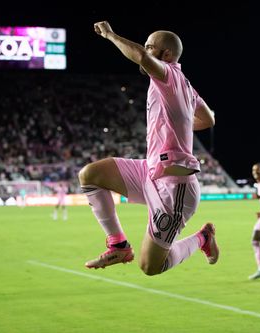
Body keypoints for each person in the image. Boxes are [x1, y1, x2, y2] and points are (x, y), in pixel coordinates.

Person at [78, 21, 219, 275]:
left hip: (175, 187)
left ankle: (203, 238)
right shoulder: (184, 85)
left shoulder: (169, 74)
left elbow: (141, 57)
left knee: (150, 266)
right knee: (90, 175)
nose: (145, 50)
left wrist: (110, 35)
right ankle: (118, 245)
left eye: (150, 46)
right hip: (149, 170)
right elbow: (209, 119)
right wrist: (182, 123)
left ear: (166, 55)